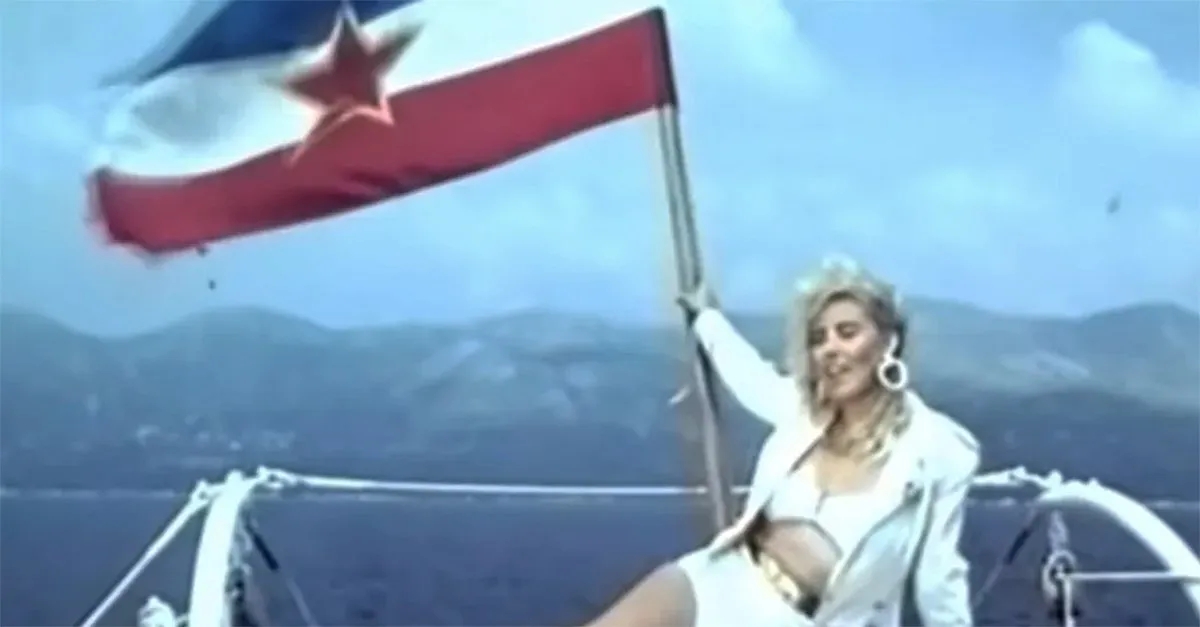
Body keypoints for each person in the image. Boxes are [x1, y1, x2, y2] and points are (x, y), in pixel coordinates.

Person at [585, 255, 981, 627]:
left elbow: (939, 580)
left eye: (847, 333)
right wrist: (707, 316)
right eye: (818, 338)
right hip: (724, 580)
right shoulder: (801, 412)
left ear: (888, 342)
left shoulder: (939, 449)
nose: (830, 349)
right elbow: (747, 373)